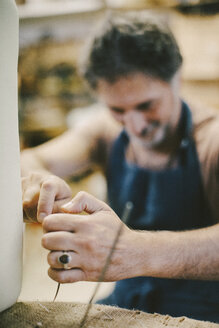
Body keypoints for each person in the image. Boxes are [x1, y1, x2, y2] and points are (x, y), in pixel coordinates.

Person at [21, 14, 219, 322]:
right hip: (128, 304)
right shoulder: (105, 132)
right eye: (117, 109)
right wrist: (37, 182)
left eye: (146, 105)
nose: (135, 125)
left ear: (177, 77)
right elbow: (32, 161)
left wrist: (136, 251)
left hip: (202, 315)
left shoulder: (211, 140)